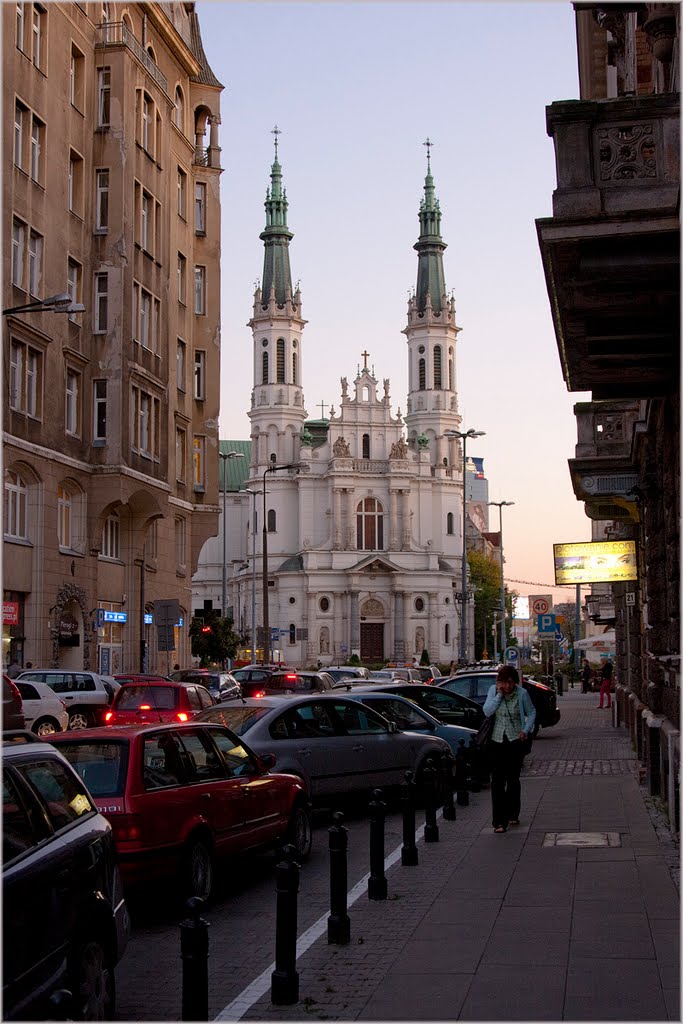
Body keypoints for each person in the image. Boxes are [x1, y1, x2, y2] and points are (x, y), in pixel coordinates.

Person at [482, 664, 536, 833]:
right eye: (504, 683)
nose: (508, 686)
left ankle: (513, 812)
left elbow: (532, 712)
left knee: (513, 779)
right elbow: (487, 711)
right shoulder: (494, 691)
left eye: (511, 683)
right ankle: (499, 821)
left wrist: (525, 730)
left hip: (515, 741)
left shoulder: (522, 694)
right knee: (497, 781)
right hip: (496, 741)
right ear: (499, 682)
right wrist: (498, 695)